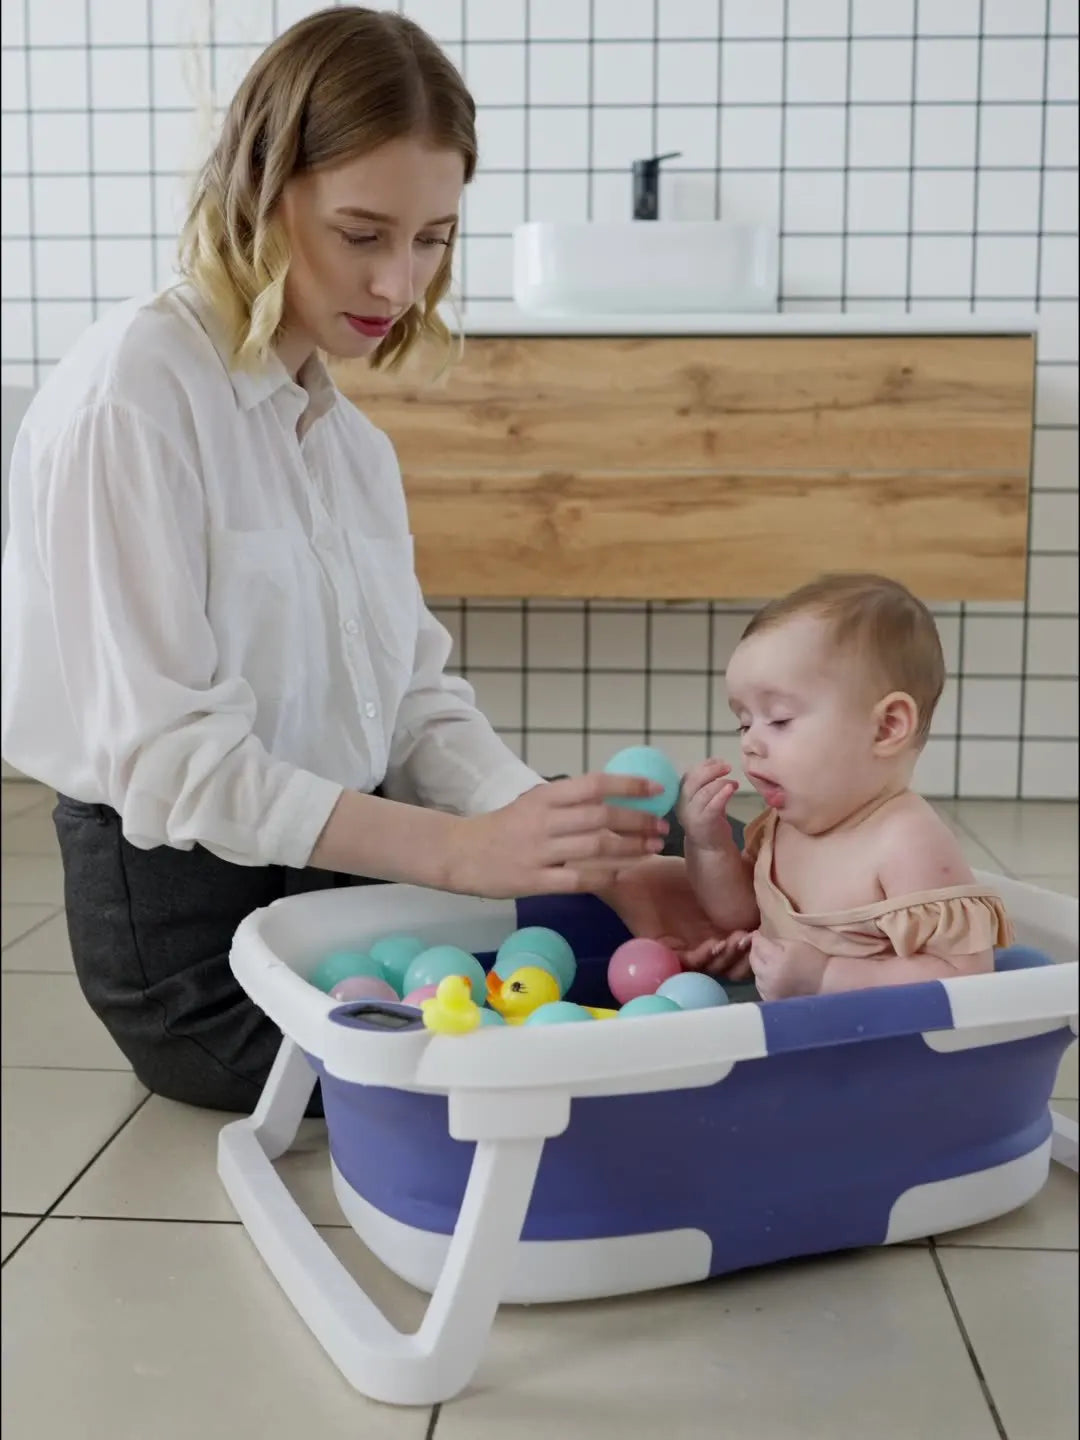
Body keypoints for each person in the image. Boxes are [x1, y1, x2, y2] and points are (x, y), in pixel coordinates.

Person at [0, 7, 729, 1113]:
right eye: (362, 232)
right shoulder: (136, 395)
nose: (399, 283)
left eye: (432, 238)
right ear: (261, 186)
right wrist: (460, 855)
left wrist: (571, 843)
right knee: (512, 1061)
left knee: (666, 851)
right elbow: (165, 763)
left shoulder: (348, 444)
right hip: (195, 943)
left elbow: (416, 707)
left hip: (342, 883)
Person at [676, 573, 1014, 1001]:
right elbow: (739, 914)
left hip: (886, 1056)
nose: (749, 742)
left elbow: (966, 978)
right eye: (743, 722)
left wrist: (827, 977)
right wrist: (708, 845)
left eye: (779, 719)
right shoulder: (785, 826)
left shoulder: (905, 843)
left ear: (887, 727)